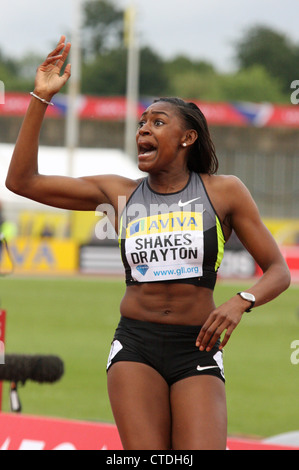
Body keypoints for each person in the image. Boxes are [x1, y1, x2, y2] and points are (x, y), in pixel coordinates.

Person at [6, 37, 290, 450]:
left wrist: (240, 300)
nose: (143, 129)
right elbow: (22, 182)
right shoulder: (119, 193)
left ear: (187, 138)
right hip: (135, 346)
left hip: (197, 346)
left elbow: (279, 271)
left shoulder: (224, 192)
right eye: (142, 123)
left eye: (157, 122)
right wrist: (40, 98)